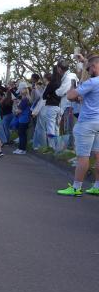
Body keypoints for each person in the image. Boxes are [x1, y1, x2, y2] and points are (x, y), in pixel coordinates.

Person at [58, 55, 99, 196]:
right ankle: (97, 186)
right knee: (98, 155)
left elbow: (70, 96)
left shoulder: (92, 82)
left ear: (93, 67)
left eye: (88, 69)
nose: (88, 71)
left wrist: (72, 87)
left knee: (83, 156)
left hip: (87, 122)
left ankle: (76, 188)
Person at [13, 84, 32, 155]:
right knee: (21, 134)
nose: (19, 92)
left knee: (22, 134)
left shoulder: (25, 99)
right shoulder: (26, 99)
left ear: (23, 90)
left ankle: (22, 149)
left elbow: (19, 110)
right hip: (23, 119)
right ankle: (20, 148)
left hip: (24, 119)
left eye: (20, 90)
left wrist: (16, 109)